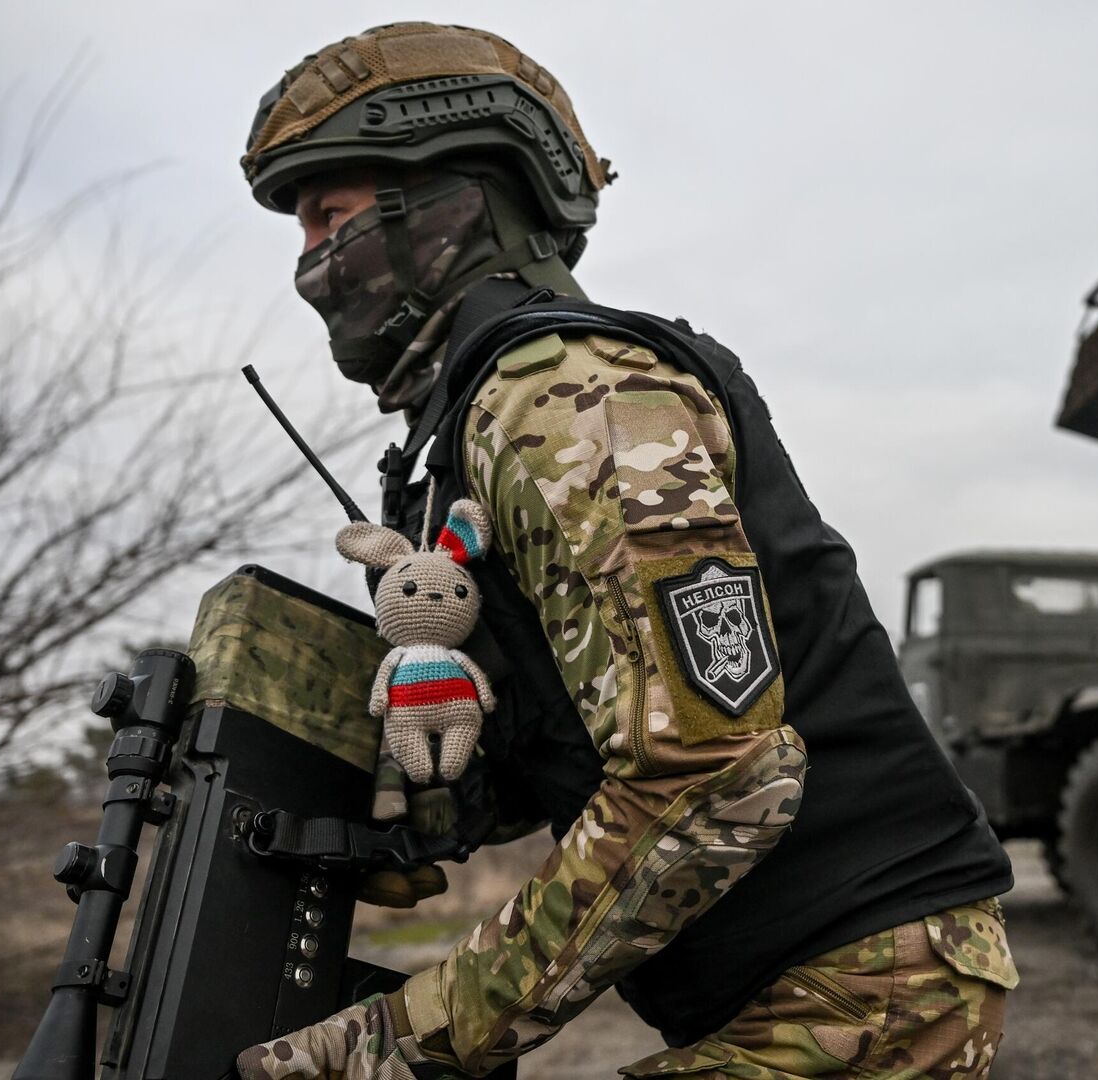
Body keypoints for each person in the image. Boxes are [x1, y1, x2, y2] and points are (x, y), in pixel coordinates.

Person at [234, 22, 1018, 1080]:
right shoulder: (475, 430)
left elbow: (715, 778)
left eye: (330, 215)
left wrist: (407, 1037)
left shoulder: (569, 394)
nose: (312, 266)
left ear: (456, 198)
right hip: (799, 979)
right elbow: (594, 744)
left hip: (866, 984)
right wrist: (421, 809)